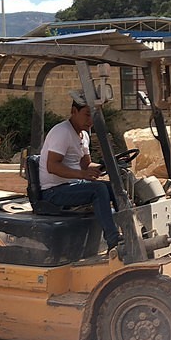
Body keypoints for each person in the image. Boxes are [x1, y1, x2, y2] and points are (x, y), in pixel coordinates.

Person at [39, 92, 122, 250]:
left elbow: (86, 165)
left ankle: (130, 230)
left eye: (93, 115)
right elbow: (52, 166)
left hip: (72, 185)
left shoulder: (83, 135)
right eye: (87, 115)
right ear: (73, 111)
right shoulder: (62, 132)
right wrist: (82, 175)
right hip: (53, 191)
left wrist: (108, 166)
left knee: (115, 187)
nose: (91, 120)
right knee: (98, 189)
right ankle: (113, 240)